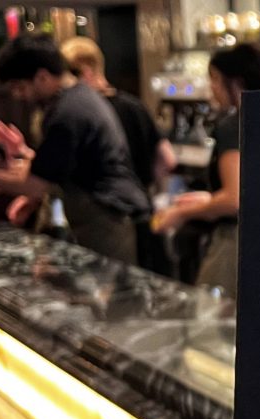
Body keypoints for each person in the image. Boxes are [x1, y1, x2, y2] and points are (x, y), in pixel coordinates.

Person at [0, 34, 148, 264]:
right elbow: (59, 168)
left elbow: (33, 185)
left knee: (110, 288)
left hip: (105, 219)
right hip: (99, 216)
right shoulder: (77, 98)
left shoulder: (68, 113)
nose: (18, 96)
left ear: (42, 76)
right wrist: (19, 158)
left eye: (19, 87)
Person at [152, 44, 260, 299]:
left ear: (236, 82)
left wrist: (180, 212)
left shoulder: (234, 125)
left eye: (215, 79)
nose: (212, 88)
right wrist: (208, 200)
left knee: (210, 314)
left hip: (236, 242)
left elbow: (234, 199)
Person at [61, 36, 176, 274]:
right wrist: (150, 190)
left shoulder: (80, 113)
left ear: (85, 71)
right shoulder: (134, 105)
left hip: (105, 220)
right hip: (142, 210)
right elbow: (167, 159)